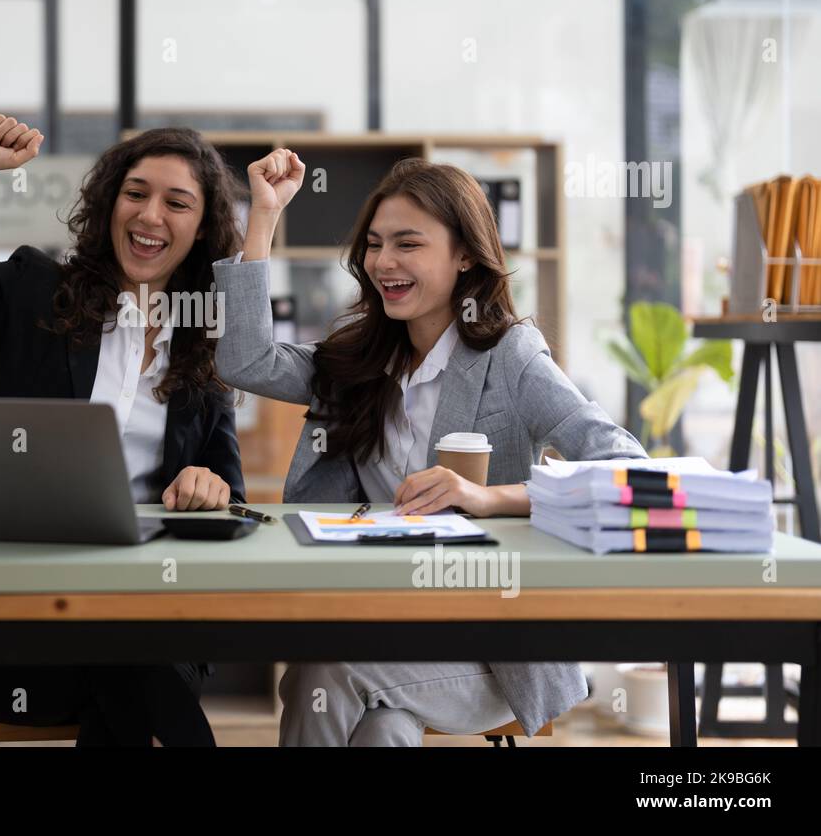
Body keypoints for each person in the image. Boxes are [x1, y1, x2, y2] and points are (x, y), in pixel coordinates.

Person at [212, 150, 647, 746]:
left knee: (325, 671)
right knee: (381, 732)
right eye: (374, 244)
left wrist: (490, 497)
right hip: (380, 625)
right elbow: (246, 361)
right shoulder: (356, 361)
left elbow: (625, 468)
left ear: (465, 254)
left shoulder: (511, 356)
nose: (383, 262)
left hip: (493, 647)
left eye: (408, 244)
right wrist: (262, 216)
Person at [0, 115, 248, 745]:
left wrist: (209, 484)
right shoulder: (31, 293)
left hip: (146, 613)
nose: (149, 216)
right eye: (135, 193)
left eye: (177, 203)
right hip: (15, 627)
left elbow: (230, 495)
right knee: (130, 673)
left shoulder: (206, 343)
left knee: (128, 667)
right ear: (110, 201)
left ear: (202, 228)